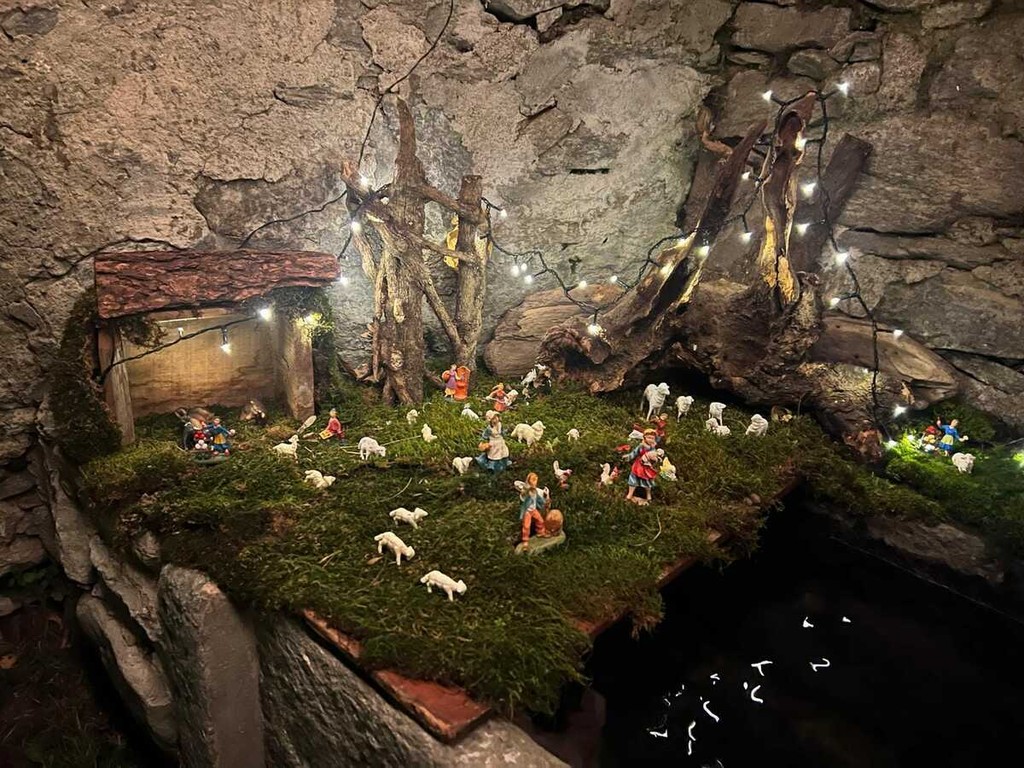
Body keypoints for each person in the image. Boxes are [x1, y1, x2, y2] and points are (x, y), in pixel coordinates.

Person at [623, 429, 663, 505]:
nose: (650, 440)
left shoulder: (653, 448)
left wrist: (655, 459)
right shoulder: (641, 446)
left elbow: (654, 457)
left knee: (647, 481)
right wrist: (628, 457)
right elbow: (634, 453)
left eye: (652, 438)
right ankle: (629, 495)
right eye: (649, 437)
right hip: (638, 465)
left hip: (647, 466)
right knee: (633, 479)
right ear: (644, 437)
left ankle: (648, 496)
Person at [517, 472, 551, 549]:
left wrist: (545, 502)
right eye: (534, 481)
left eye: (536, 481)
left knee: (540, 520)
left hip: (533, 510)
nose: (535, 482)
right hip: (527, 511)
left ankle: (540, 532)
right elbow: (522, 499)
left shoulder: (535, 491)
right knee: (526, 526)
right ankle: (525, 540)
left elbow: (539, 499)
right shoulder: (526, 491)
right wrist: (526, 492)